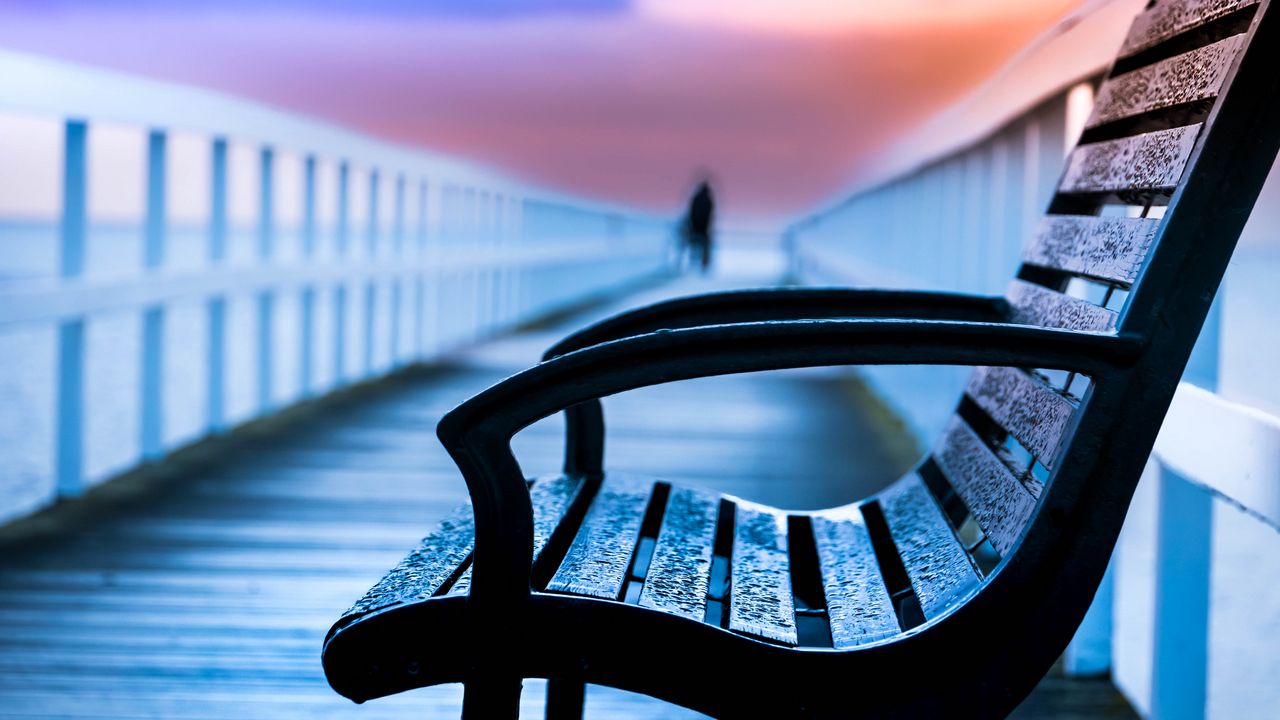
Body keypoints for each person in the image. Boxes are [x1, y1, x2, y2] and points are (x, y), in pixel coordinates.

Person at [682, 179, 715, 274]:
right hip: (702, 228)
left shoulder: (696, 198)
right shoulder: (708, 200)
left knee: (694, 244)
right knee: (705, 245)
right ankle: (704, 264)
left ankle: (694, 262)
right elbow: (710, 216)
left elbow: (691, 213)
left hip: (695, 227)